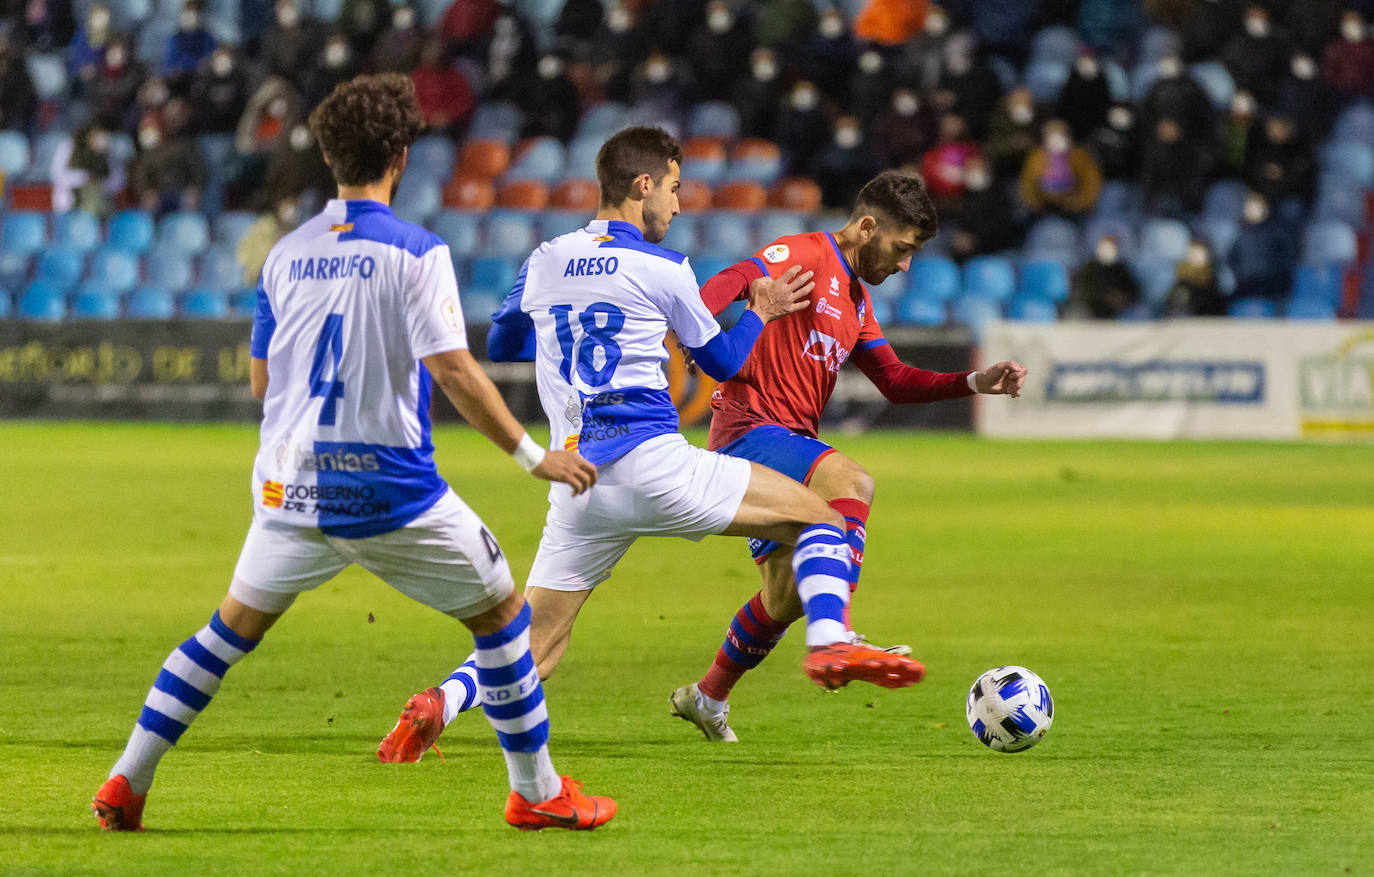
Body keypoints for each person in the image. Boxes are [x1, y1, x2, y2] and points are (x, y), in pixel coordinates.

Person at [91, 73, 614, 835]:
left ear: (328, 156)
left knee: (224, 633)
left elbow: (261, 381)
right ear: (400, 156)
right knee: (505, 619)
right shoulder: (417, 253)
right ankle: (535, 792)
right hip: (392, 493)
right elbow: (455, 371)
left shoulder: (285, 254)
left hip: (290, 489)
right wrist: (534, 454)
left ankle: (125, 781)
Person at [377, 127, 930, 763]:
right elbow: (722, 360)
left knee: (537, 644)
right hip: (653, 465)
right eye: (673, 188)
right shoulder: (664, 268)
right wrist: (763, 312)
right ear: (644, 187)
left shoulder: (545, 257)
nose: (678, 203)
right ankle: (831, 638)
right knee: (824, 519)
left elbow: (501, 345)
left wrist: (569, 332)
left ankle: (438, 703)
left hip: (579, 481)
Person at [666, 171, 1028, 741]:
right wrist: (695, 328)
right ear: (866, 227)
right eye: (904, 248)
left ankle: (707, 697)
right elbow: (732, 278)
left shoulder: (856, 301)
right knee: (851, 481)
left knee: (783, 599)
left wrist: (976, 381)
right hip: (749, 429)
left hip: (786, 441)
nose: (907, 265)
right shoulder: (807, 254)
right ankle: (838, 635)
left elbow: (897, 380)